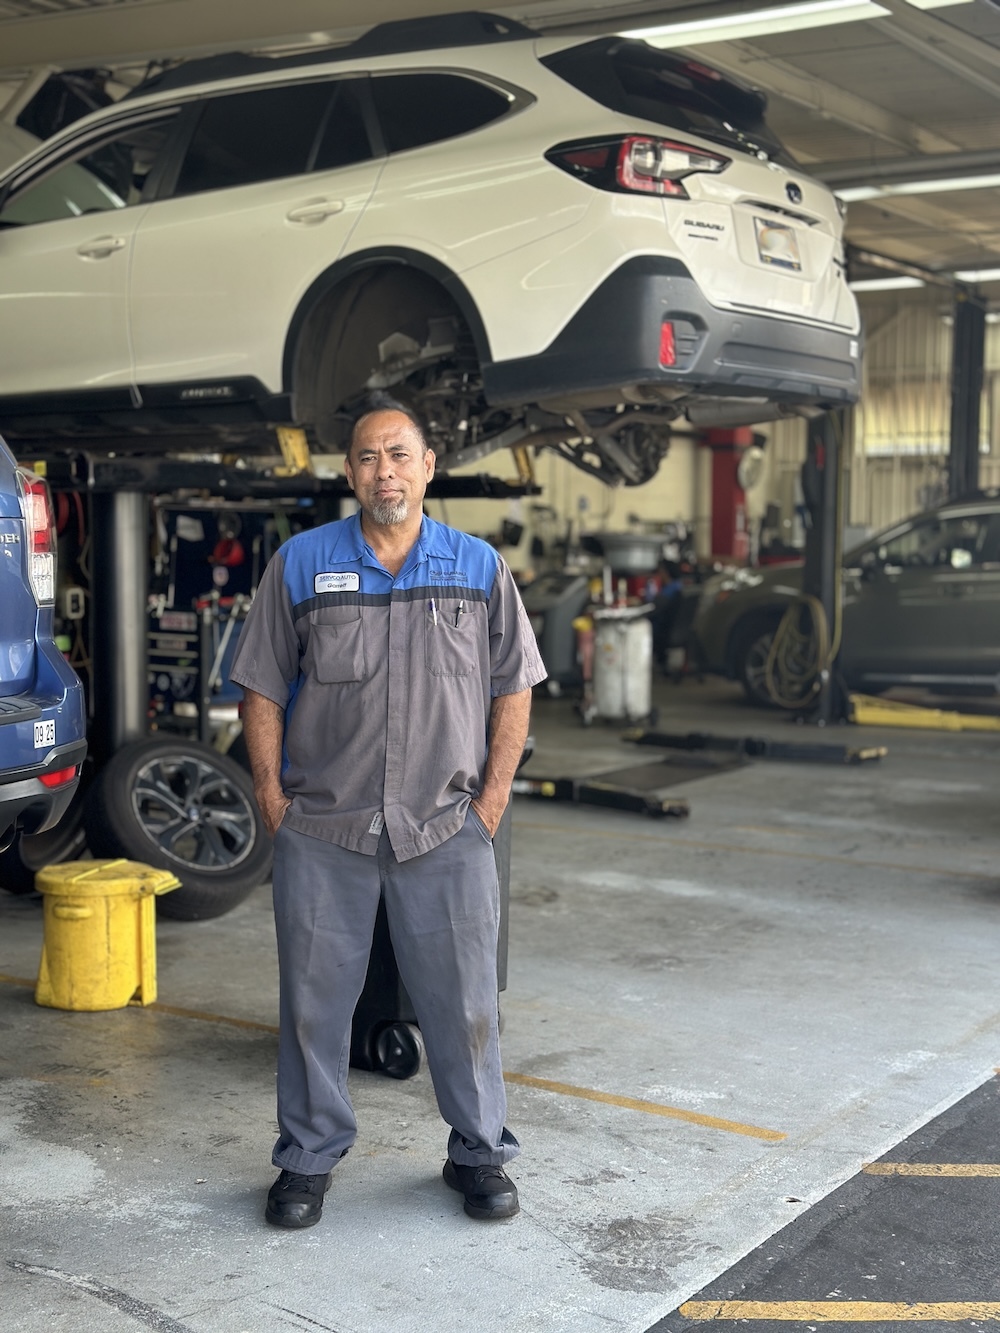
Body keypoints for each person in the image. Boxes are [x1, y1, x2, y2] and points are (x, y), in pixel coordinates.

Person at [229, 401, 546, 1230]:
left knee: (466, 1000)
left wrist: (492, 802)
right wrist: (271, 797)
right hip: (324, 831)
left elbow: (516, 684)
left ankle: (477, 1153)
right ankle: (307, 1157)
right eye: (368, 458)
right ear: (349, 473)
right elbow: (259, 684)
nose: (385, 472)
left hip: (445, 826)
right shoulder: (300, 564)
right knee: (311, 1004)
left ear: (428, 465)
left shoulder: (477, 568)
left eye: (398, 455)